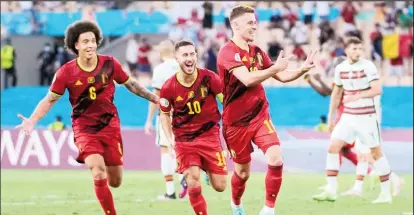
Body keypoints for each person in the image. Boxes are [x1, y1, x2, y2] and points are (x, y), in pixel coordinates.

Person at [15, 20, 159, 215]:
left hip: (110, 126)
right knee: (97, 170)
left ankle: (107, 183)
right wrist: (32, 120)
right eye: (85, 41)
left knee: (115, 181)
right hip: (84, 128)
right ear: (76, 45)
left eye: (93, 41)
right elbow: (49, 100)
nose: (90, 45)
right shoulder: (65, 72)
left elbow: (131, 84)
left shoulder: (109, 64)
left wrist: (155, 98)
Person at [216, 5, 316, 215]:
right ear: (235, 25)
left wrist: (301, 70)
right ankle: (235, 203)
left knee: (276, 159)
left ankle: (268, 210)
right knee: (242, 173)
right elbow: (247, 79)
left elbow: (282, 76)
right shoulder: (227, 52)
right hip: (235, 123)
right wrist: (275, 68)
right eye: (250, 22)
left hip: (260, 115)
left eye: (255, 22)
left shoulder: (258, 53)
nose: (255, 26)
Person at [312, 37, 401, 204]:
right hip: (348, 117)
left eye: (360, 48)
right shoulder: (340, 68)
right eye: (354, 49)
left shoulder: (368, 66)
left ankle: (385, 193)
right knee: (333, 147)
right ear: (346, 50)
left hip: (366, 117)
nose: (357, 52)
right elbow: (336, 93)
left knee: (375, 154)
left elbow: (377, 89)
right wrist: (331, 117)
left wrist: (356, 96)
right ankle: (331, 190)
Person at [159, 40, 228, 215]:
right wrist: (170, 139)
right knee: (192, 179)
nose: (189, 58)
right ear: (176, 58)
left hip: (209, 136)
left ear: (196, 56)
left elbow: (226, 103)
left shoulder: (209, 78)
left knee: (220, 186)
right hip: (184, 139)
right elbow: (165, 114)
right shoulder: (168, 87)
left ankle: (205, 168)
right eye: (185, 55)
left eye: (192, 54)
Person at [144, 40, 187, 200]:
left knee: (166, 149)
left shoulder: (160, 70)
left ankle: (171, 191)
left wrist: (148, 120)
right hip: (185, 115)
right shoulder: (184, 66)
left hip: (167, 115)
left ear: (161, 53)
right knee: (181, 148)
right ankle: (184, 176)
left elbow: (156, 97)